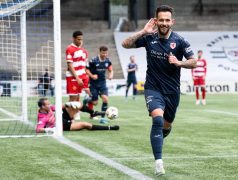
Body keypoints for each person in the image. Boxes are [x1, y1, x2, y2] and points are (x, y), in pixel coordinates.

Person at [122, 5, 196, 176]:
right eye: (161, 20)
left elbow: (194, 61)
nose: (164, 23)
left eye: (167, 20)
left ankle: (158, 140)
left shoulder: (180, 41)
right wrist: (142, 31)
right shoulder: (149, 38)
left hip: (172, 92)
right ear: (156, 21)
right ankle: (159, 162)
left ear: (172, 22)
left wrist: (179, 63)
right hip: (153, 88)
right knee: (157, 121)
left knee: (166, 126)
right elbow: (125, 44)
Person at [36, 98, 119, 133]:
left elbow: (61, 106)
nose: (49, 105)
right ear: (43, 106)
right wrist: (50, 130)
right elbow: (38, 129)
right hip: (62, 125)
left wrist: (69, 103)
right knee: (85, 125)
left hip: (62, 116)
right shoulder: (42, 117)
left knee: (78, 104)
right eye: (47, 104)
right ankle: (110, 128)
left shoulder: (49, 108)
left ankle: (93, 112)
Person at [65, 30, 90, 120]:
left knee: (78, 96)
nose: (80, 41)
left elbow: (84, 67)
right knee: (73, 97)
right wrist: (77, 77)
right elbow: (70, 65)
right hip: (73, 77)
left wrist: (85, 77)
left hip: (82, 77)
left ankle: (75, 114)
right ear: (74, 39)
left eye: (81, 39)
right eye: (78, 39)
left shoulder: (84, 51)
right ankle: (68, 117)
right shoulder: (70, 49)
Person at [86, 46, 114, 124]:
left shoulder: (108, 61)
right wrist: (92, 76)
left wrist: (111, 75)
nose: (105, 54)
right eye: (103, 53)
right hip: (93, 84)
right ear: (100, 52)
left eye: (106, 53)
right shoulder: (93, 60)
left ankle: (102, 118)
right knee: (95, 103)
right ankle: (87, 99)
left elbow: (111, 70)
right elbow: (86, 70)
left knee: (105, 99)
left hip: (102, 83)